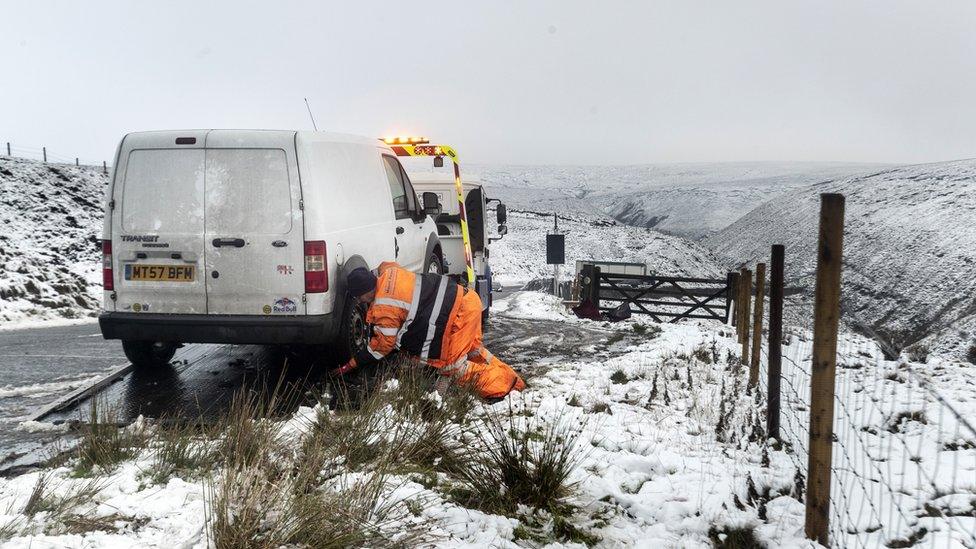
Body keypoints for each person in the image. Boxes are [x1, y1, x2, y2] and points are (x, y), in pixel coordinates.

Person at [333, 262, 525, 400]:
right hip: (468, 300)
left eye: (361, 297)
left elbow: (382, 346)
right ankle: (516, 380)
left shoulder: (385, 306)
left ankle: (506, 384)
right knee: (475, 352)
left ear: (366, 290)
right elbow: (384, 265)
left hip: (458, 315)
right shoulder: (389, 272)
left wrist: (351, 364)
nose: (361, 302)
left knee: (453, 367)